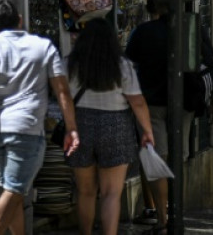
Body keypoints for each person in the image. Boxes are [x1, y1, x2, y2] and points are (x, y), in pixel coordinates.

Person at [0, 0, 80, 235]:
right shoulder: (43, 47)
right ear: (20, 19)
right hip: (27, 129)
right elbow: (62, 90)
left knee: (14, 193)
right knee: (14, 190)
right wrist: (71, 128)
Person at [60, 19, 155, 235]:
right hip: (116, 125)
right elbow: (137, 102)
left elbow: (62, 95)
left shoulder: (68, 64)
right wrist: (147, 131)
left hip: (80, 124)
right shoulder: (122, 66)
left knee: (85, 192)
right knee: (111, 193)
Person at [125, 0, 196, 228]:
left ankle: (163, 217)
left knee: (157, 158)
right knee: (179, 158)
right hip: (184, 102)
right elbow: (208, 61)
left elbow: (129, 63)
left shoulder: (142, 33)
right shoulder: (188, 28)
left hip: (151, 103)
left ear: (149, 8)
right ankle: (176, 213)